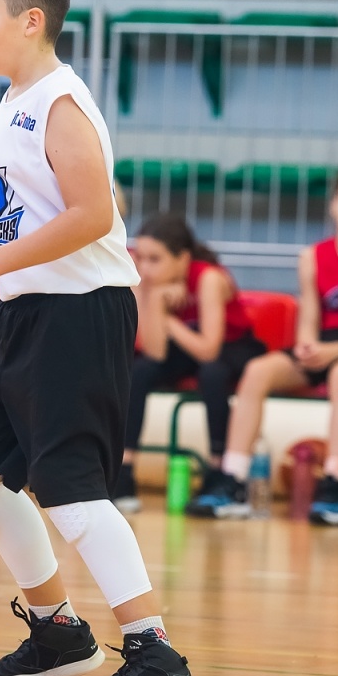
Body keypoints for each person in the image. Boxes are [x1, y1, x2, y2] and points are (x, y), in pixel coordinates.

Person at [0, 0, 198, 676]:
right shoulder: (19, 94)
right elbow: (45, 187)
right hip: (28, 310)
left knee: (72, 490)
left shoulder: (61, 99)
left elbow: (92, 215)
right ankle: (57, 631)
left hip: (80, 313)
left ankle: (155, 656)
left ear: (31, 20)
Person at [195, 167, 338, 523]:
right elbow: (309, 318)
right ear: (333, 206)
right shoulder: (313, 257)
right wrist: (309, 345)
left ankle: (335, 483)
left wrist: (333, 352)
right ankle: (234, 478)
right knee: (257, 370)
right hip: (323, 344)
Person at [120, 213, 264, 515]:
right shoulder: (143, 282)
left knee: (212, 374)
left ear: (182, 259)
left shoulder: (209, 278)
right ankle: (124, 471)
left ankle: (219, 471)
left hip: (231, 347)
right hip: (187, 347)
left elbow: (209, 351)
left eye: (154, 259)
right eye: (140, 258)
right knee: (140, 370)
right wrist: (154, 301)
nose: (144, 268)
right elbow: (155, 353)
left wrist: (169, 322)